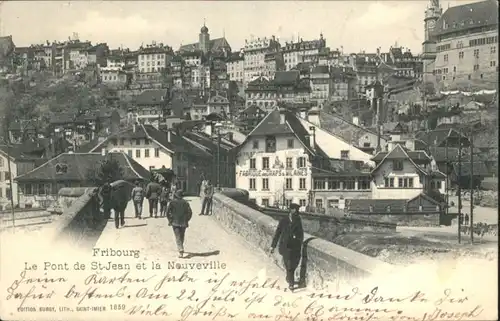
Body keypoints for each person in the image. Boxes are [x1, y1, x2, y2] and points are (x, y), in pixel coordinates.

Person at [269, 203, 304, 292]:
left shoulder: (298, 219)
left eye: (297, 210)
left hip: (295, 246)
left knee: (295, 263)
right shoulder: (284, 220)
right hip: (285, 246)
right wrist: (273, 246)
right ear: (291, 210)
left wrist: (299, 240)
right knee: (289, 265)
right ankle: (291, 284)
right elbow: (278, 233)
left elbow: (301, 233)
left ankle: (289, 278)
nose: (297, 212)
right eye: (295, 210)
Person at [166, 190, 193, 258]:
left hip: (175, 222)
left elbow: (167, 212)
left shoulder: (172, 202)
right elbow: (190, 213)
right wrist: (187, 219)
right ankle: (181, 248)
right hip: (183, 222)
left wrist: (170, 220)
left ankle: (181, 249)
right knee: (182, 236)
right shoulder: (186, 203)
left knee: (177, 236)